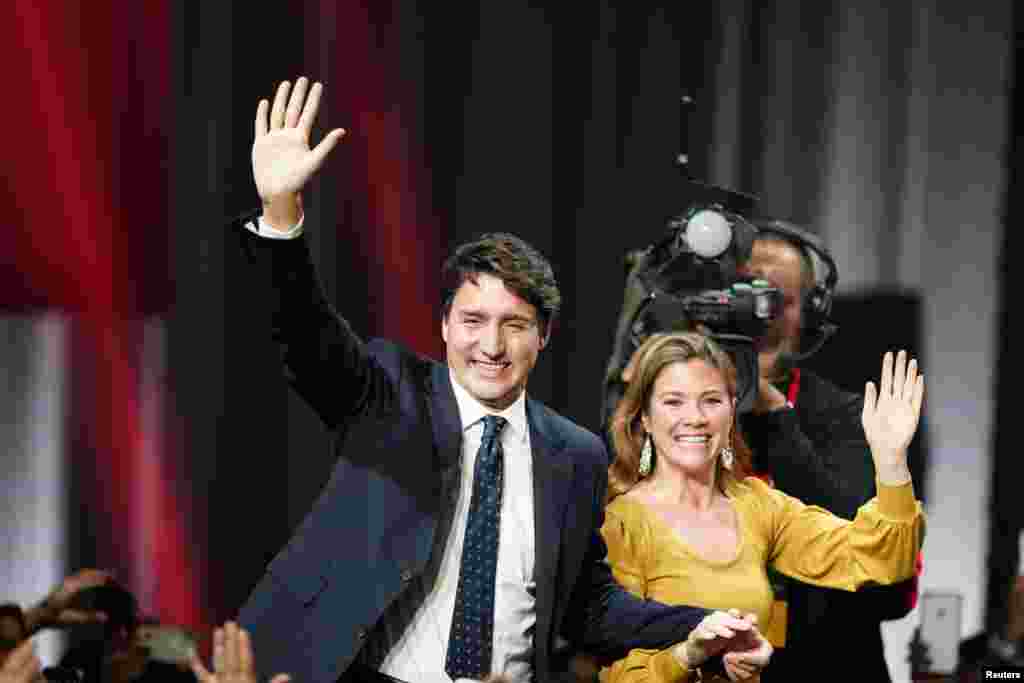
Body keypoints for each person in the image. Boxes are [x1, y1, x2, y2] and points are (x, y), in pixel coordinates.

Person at [233, 77, 758, 683]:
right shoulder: (389, 393)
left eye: (514, 324)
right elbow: (306, 337)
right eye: (474, 320)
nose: (491, 344)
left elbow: (590, 607)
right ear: (444, 327)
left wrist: (700, 625)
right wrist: (281, 214)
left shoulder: (575, 455)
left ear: (544, 336)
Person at [599, 331, 925, 683]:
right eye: (673, 402)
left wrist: (891, 464)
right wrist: (689, 656)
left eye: (711, 400)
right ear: (644, 417)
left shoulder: (758, 505)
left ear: (732, 411)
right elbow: (615, 674)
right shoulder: (620, 523)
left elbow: (879, 558)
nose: (695, 417)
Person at [737, 222, 921, 681]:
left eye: (778, 298)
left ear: (810, 317)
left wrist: (776, 417)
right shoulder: (679, 417)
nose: (761, 313)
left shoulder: (847, 415)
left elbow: (876, 576)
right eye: (745, 292)